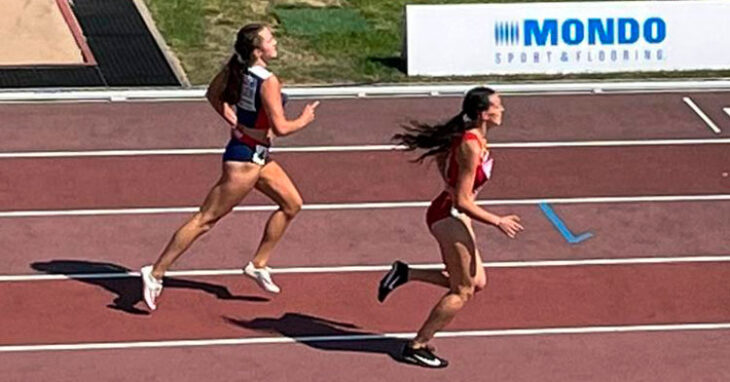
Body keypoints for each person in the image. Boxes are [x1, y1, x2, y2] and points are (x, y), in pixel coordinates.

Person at [140, 23, 319, 311]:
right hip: (244, 161)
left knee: (292, 204)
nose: (276, 43)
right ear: (258, 50)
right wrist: (305, 118)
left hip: (257, 154)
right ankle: (156, 272)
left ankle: (258, 264)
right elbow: (282, 127)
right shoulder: (268, 81)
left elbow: (213, 96)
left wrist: (236, 123)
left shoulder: (237, 66)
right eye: (271, 40)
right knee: (205, 219)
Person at [378, 87, 523, 368]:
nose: (502, 109)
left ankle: (405, 273)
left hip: (454, 214)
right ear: (484, 113)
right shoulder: (471, 144)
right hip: (448, 215)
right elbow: (463, 201)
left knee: (477, 282)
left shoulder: (475, 138)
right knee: (462, 290)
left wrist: (448, 179)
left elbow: (444, 157)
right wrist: (497, 221)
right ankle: (416, 346)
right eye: (498, 105)